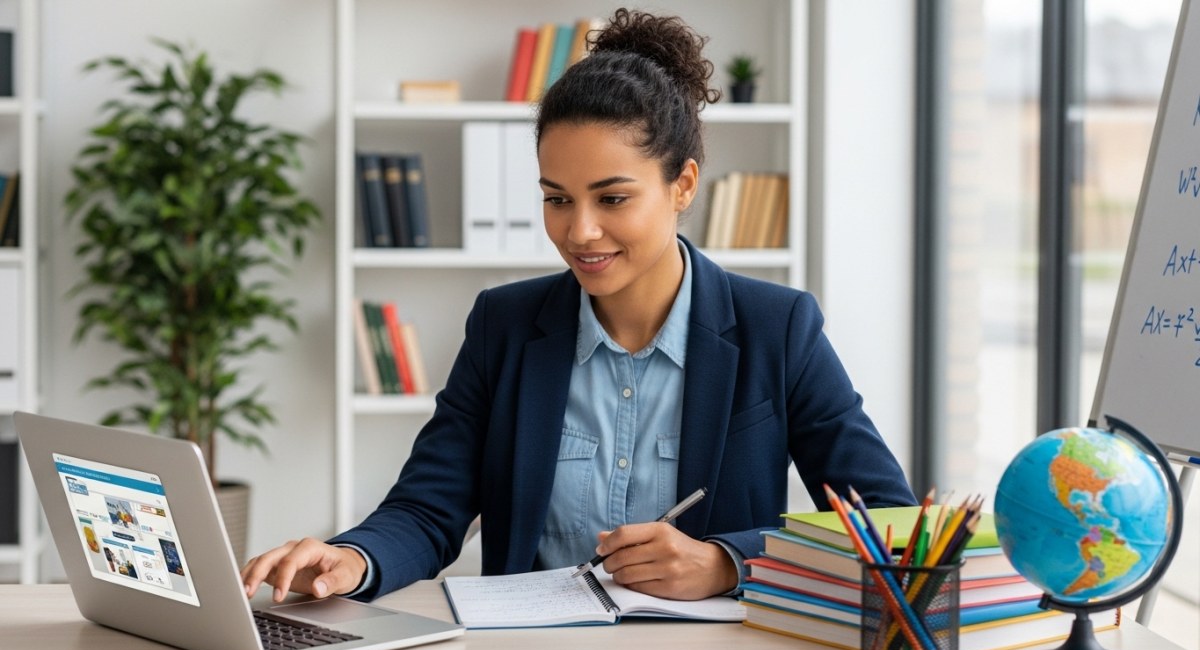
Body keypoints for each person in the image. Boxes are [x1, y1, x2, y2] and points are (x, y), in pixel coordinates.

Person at [241, 7, 915, 605]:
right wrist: (351, 559)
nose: (579, 231)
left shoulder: (779, 327)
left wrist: (726, 561)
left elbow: (890, 522)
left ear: (682, 185)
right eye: (557, 197)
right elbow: (427, 507)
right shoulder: (503, 325)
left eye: (612, 198)